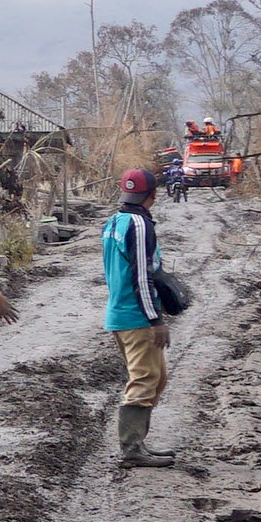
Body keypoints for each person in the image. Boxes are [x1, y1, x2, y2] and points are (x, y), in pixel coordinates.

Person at [102, 168, 170, 457]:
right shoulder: (140, 225)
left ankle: (137, 441)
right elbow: (141, 275)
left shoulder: (113, 222)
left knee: (157, 377)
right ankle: (131, 448)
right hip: (136, 316)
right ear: (152, 195)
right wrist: (155, 318)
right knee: (144, 380)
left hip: (119, 312)